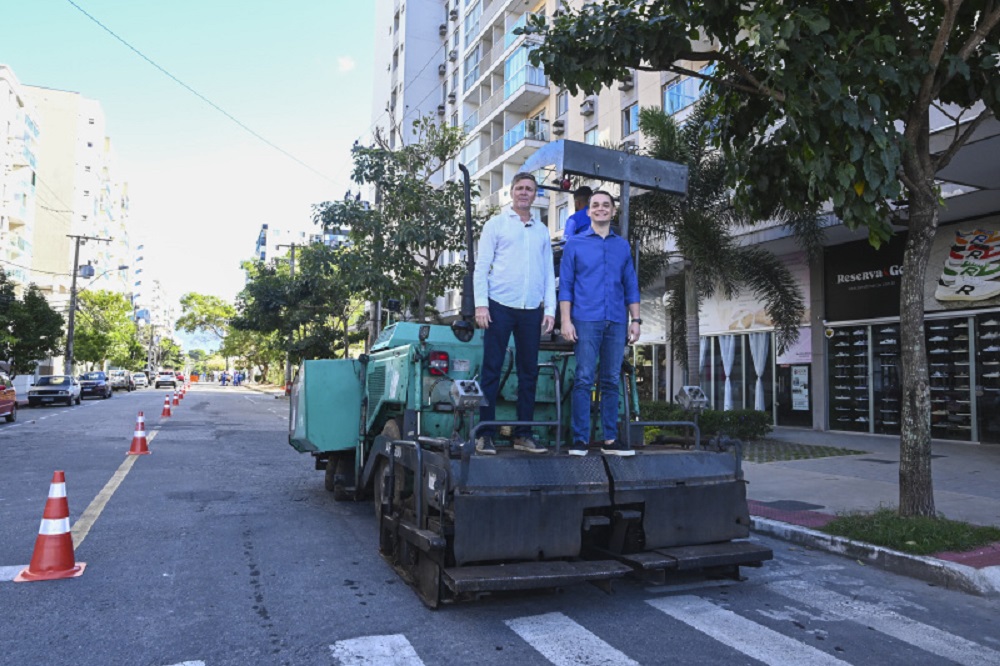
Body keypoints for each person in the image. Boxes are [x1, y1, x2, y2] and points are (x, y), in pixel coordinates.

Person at [473, 172, 556, 455]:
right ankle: (484, 434)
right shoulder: (495, 224)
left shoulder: (541, 230)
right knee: (491, 370)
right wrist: (481, 305)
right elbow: (481, 267)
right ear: (512, 192)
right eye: (519, 188)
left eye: (529, 189)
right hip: (498, 306)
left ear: (535, 194)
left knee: (528, 373)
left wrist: (550, 309)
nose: (524, 192)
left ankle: (524, 434)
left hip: (531, 310)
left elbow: (548, 272)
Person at [559, 190, 641, 456]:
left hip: (616, 321)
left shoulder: (622, 246)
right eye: (596, 205)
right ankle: (580, 440)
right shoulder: (575, 244)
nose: (601, 209)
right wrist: (566, 321)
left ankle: (610, 440)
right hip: (585, 320)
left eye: (606, 205)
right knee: (583, 378)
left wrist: (636, 320)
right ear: (589, 211)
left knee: (611, 380)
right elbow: (566, 286)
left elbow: (631, 284)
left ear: (613, 211)